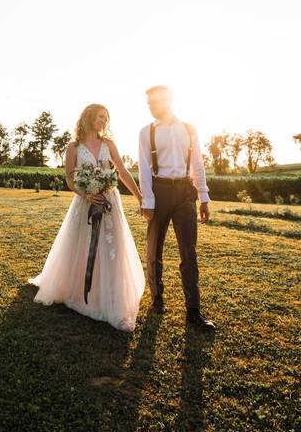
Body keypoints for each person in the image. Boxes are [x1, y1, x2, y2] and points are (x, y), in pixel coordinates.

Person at [27, 104, 146, 332]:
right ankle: (80, 288)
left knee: (112, 246)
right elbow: (70, 180)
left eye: (106, 118)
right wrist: (87, 194)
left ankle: (110, 293)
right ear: (89, 117)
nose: (103, 121)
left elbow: (121, 171)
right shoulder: (73, 147)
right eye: (100, 117)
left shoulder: (109, 144)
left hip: (109, 203)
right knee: (81, 247)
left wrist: (139, 197)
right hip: (85, 204)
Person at [138, 85, 216, 331]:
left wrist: (203, 196)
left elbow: (197, 163)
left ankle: (193, 310)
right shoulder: (146, 132)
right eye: (148, 103)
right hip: (158, 192)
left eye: (155, 101)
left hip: (185, 192)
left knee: (188, 252)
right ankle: (157, 299)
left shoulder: (189, 129)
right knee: (154, 250)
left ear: (168, 100)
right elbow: (143, 169)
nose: (151, 106)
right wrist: (147, 202)